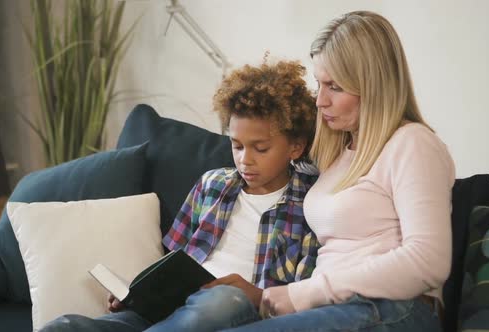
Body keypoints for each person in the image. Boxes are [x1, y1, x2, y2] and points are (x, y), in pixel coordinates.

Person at [40, 59, 320, 332]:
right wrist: (138, 290)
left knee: (221, 299)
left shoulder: (312, 204)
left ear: (295, 147)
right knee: (64, 326)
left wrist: (257, 295)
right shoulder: (212, 184)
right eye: (237, 146)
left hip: (233, 310)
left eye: (260, 148)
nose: (245, 160)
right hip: (173, 309)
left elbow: (305, 295)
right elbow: (171, 258)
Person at [222, 10, 456, 332]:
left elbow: (428, 261)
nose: (320, 101)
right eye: (319, 84)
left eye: (334, 86)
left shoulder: (413, 144)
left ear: (374, 86)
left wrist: (301, 294)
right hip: (337, 309)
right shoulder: (336, 154)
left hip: (394, 309)